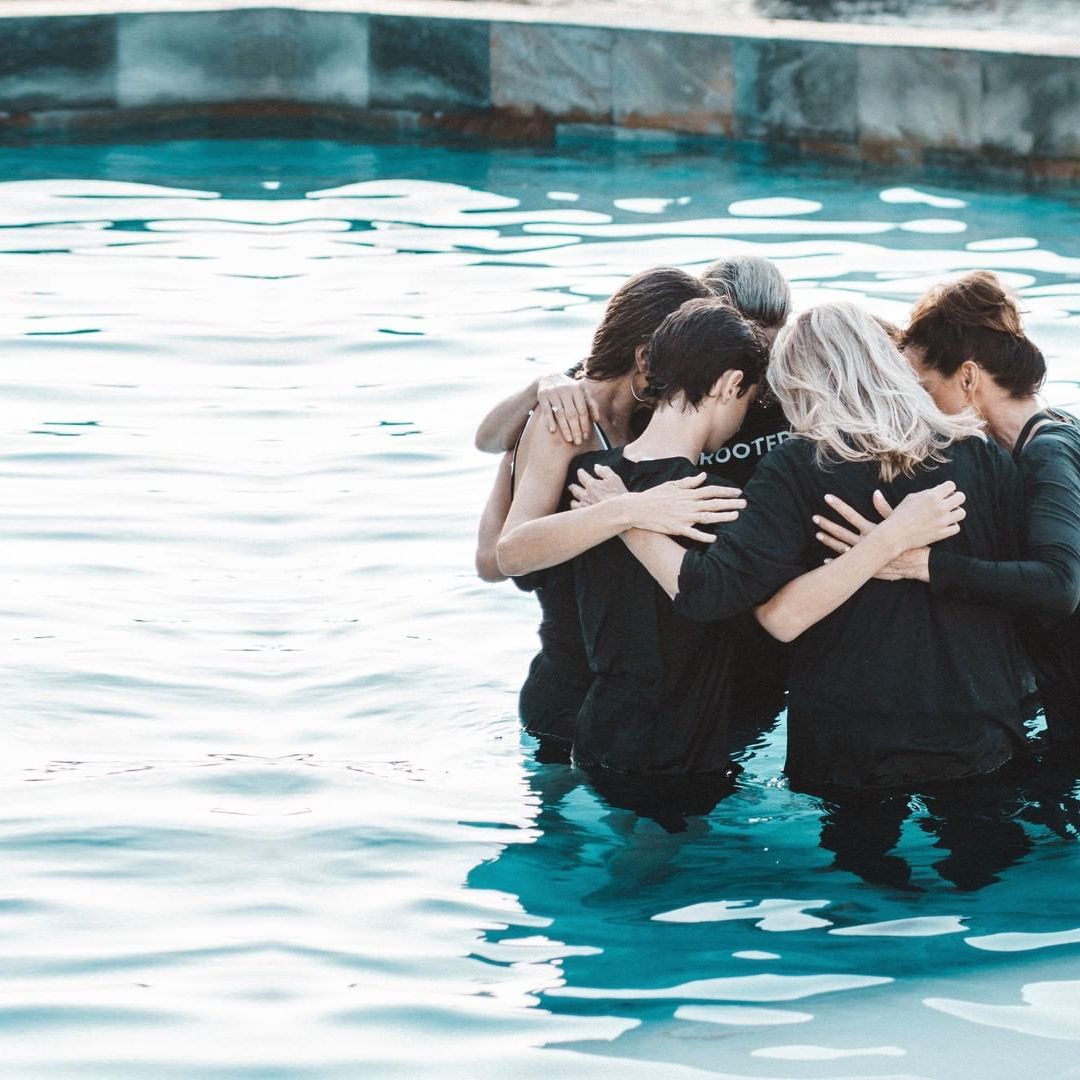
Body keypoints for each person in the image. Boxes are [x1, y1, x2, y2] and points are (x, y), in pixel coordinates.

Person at [576, 301, 1029, 792]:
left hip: (850, 741)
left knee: (858, 868)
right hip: (976, 721)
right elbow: (1028, 590)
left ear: (797, 387)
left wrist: (620, 513)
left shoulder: (796, 468)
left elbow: (734, 603)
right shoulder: (980, 454)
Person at [816, 272, 1080, 749]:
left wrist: (923, 565)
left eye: (922, 385)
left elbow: (1060, 585)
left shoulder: (1047, 454)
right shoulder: (1041, 434)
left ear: (969, 376)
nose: (915, 402)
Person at [483, 268, 741, 755]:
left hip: (623, 689)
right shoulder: (566, 422)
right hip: (567, 686)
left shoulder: (645, 422)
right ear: (645, 355)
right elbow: (506, 556)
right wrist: (629, 509)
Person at [567, 298, 769, 775]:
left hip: (599, 728)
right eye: (748, 400)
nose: (743, 418)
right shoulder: (716, 499)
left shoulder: (588, 478)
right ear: (729, 384)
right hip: (677, 741)